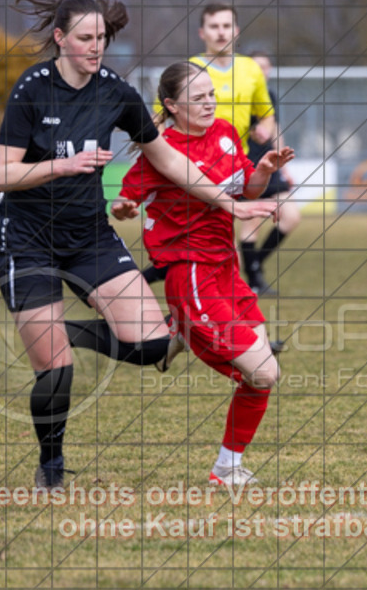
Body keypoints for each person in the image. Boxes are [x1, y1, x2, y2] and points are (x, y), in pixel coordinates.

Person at [0, 0, 276, 490]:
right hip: (28, 239)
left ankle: (72, 330)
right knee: (56, 371)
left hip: (89, 236)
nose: (95, 47)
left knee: (152, 347)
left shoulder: (115, 91)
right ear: (60, 39)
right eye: (84, 38)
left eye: (101, 38)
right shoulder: (33, 89)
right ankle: (51, 470)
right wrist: (63, 164)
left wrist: (230, 203)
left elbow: (168, 159)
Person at [114, 61, 295, 487]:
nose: (210, 103)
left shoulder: (227, 133)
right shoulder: (162, 149)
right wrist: (123, 208)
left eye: (211, 94)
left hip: (226, 268)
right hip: (190, 272)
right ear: (172, 105)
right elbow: (124, 199)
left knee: (264, 374)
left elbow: (244, 189)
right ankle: (181, 329)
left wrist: (263, 172)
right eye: (198, 98)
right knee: (264, 373)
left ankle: (226, 468)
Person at [142, 3, 279, 294]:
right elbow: (159, 118)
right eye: (214, 27)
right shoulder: (188, 70)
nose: (221, 32)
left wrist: (266, 127)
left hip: (232, 167)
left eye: (227, 26)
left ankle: (196, 311)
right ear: (202, 32)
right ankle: (230, 319)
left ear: (236, 31)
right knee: (208, 243)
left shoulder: (251, 69)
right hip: (191, 167)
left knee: (217, 243)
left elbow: (265, 111)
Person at [238, 51, 301, 296]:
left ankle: (254, 265)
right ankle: (254, 279)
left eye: (265, 67)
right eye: (256, 67)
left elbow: (276, 131)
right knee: (251, 223)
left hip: (271, 165)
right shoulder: (240, 96)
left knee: (291, 216)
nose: (261, 71)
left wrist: (284, 168)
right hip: (248, 165)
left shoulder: (270, 96)